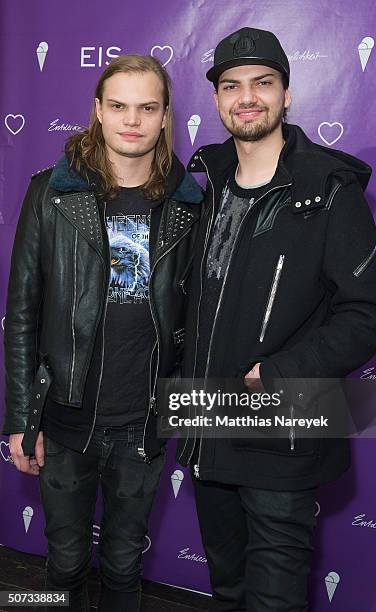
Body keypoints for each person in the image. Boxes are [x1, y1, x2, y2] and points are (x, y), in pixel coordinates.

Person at [177, 27, 376, 611]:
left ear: (287, 94)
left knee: (274, 602)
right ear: (218, 100)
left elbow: (370, 313)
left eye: (262, 83)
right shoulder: (205, 184)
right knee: (227, 592)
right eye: (232, 85)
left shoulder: (329, 188)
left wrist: (279, 372)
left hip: (285, 428)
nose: (247, 97)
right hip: (207, 424)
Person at [2, 54, 202, 611]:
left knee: (122, 565)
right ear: (97, 111)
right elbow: (22, 313)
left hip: (142, 425)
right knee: (64, 562)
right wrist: (22, 418)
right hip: (64, 422)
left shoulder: (190, 205)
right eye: (118, 106)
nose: (131, 120)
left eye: (147, 107)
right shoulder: (52, 194)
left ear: (165, 117)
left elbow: (198, 321)